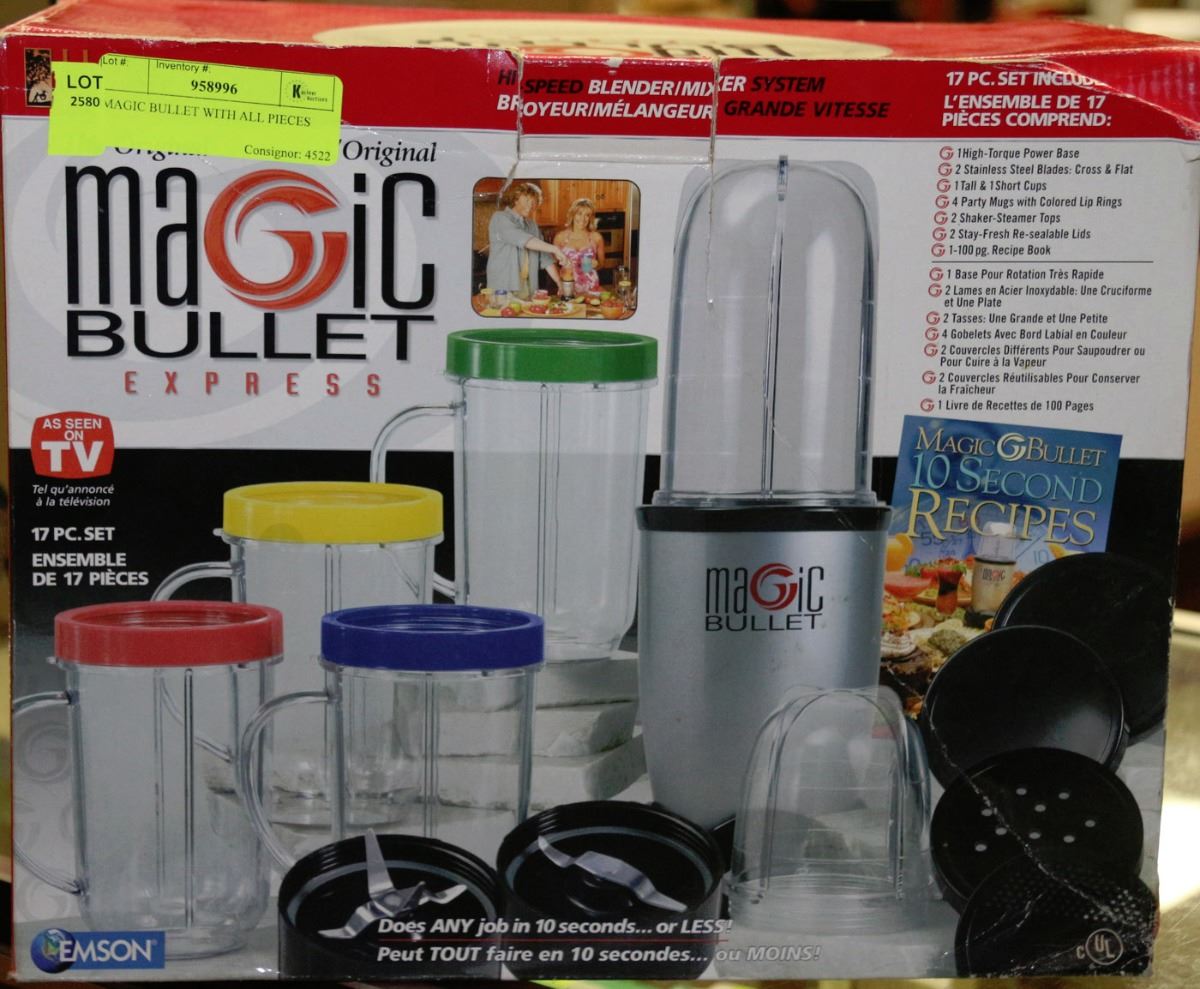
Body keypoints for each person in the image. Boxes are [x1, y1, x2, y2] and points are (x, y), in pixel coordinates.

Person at [486, 182, 565, 298]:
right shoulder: (500, 218)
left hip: (527, 288)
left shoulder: (532, 226)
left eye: (534, 202)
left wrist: (559, 282)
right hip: (503, 287)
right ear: (516, 199)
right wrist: (555, 249)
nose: (531, 205)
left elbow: (545, 258)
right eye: (527, 200)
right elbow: (522, 239)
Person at [553, 198, 606, 294]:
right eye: (579, 213)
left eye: (587, 215)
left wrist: (596, 264)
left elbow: (602, 264)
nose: (582, 218)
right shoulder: (560, 238)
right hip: (567, 287)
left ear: (590, 218)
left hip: (591, 287)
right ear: (572, 215)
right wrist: (560, 280)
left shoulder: (596, 238)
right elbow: (553, 264)